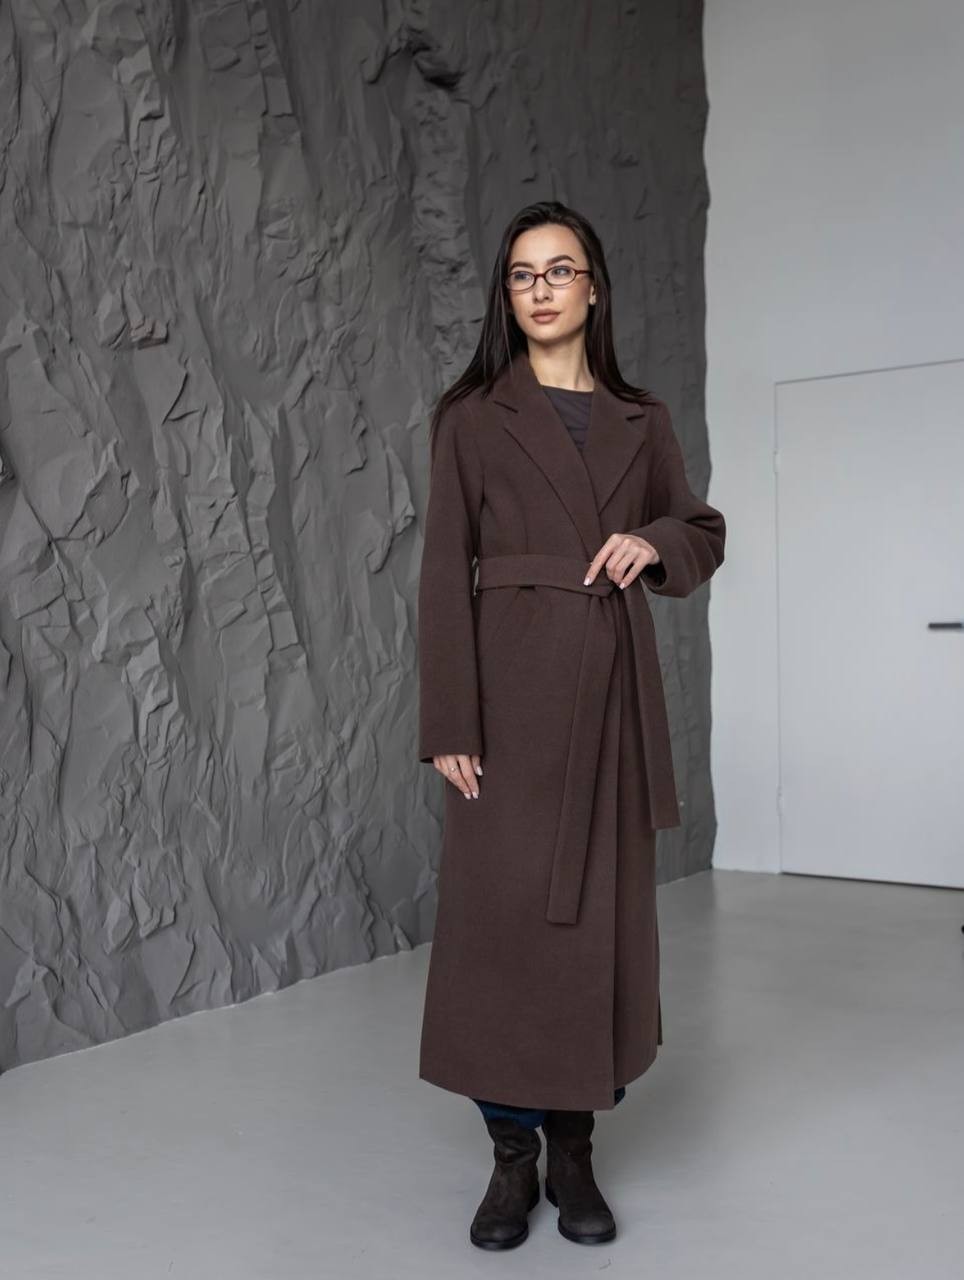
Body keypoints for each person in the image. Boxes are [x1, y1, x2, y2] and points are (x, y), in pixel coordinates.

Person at [416, 200, 726, 1250]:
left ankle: (576, 1146)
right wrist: (450, 718)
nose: (541, 288)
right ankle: (512, 1156)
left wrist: (652, 542)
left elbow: (701, 527)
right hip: (505, 704)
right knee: (499, 930)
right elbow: (441, 571)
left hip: (608, 701)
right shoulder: (471, 416)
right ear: (506, 296)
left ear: (594, 287)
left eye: (560, 270)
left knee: (597, 927)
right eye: (522, 274)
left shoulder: (643, 416)